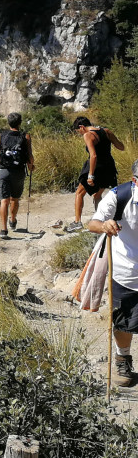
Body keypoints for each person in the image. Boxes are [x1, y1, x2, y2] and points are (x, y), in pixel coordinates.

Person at [86, 160, 138, 387]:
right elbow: (93, 223)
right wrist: (105, 225)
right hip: (127, 269)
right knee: (124, 321)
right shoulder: (120, 195)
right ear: (135, 181)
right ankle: (122, 358)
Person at [69, 116, 126, 232]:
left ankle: (77, 222)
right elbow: (121, 147)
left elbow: (93, 155)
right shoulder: (106, 131)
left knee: (79, 193)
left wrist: (90, 175)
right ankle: (100, 220)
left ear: (81, 127)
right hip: (109, 167)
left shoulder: (88, 135)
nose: (79, 133)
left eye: (78, 131)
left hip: (96, 167)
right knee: (97, 195)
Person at [0, 112, 34, 238]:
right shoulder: (25, 136)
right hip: (19, 171)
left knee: (4, 200)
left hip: (3, 170)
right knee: (15, 198)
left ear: (8, 122)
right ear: (20, 123)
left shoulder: (1, 135)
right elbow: (29, 155)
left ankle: (4, 230)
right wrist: (30, 166)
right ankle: (13, 220)